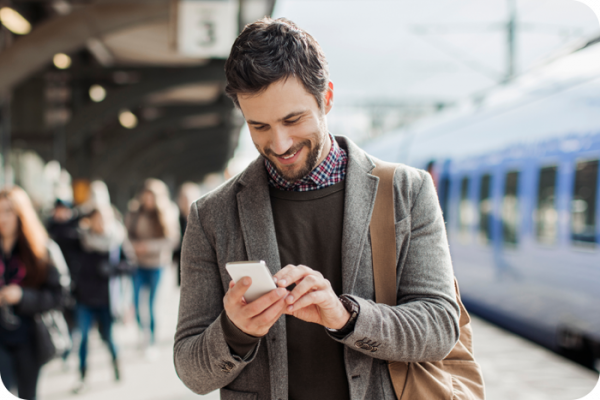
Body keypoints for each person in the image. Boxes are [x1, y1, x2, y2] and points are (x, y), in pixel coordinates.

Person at [174, 18, 460, 400]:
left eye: (292, 120)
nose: (279, 143)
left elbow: (440, 328)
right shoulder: (211, 215)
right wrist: (234, 330)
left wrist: (345, 317)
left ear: (326, 98)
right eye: (258, 126)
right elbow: (191, 371)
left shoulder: (407, 191)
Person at [0, 186, 70, 400]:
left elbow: (61, 295)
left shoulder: (43, 250)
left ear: (21, 214)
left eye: (8, 211)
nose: (2, 218)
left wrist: (22, 296)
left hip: (30, 338)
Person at [72, 205, 131, 393]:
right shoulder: (81, 238)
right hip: (84, 299)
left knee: (109, 337)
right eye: (97, 218)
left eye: (104, 218)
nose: (101, 222)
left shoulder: (117, 240)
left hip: (107, 300)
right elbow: (61, 232)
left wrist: (112, 269)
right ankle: (82, 376)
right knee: (82, 339)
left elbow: (130, 265)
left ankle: (116, 364)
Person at [126, 179, 179, 353]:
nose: (148, 200)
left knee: (152, 304)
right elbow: (126, 235)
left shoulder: (167, 213)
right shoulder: (134, 213)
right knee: (136, 301)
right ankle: (143, 334)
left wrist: (147, 246)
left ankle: (152, 339)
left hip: (157, 265)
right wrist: (135, 247)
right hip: (138, 264)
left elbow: (172, 240)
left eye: (152, 197)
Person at [46, 198, 82, 366]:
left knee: (73, 318)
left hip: (76, 281)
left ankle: (70, 349)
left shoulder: (77, 228)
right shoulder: (49, 228)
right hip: (54, 280)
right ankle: (64, 348)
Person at [173, 182, 202, 286]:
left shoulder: (201, 218)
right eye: (183, 199)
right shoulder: (176, 218)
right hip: (181, 263)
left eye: (188, 198)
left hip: (199, 264)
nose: (186, 202)